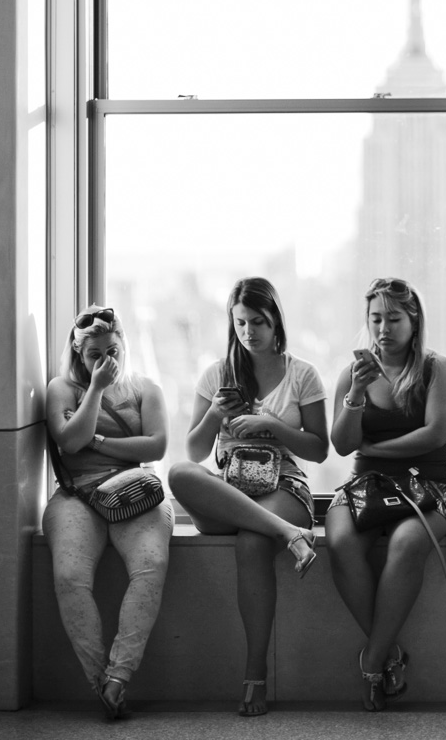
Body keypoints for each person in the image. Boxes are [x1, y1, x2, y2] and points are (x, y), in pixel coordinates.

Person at [169, 277, 329, 717]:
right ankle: (290, 535)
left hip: (283, 485)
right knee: (180, 473)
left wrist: (272, 427)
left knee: (252, 541)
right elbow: (196, 451)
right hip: (231, 488)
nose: (248, 331)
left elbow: (319, 448)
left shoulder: (302, 374)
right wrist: (217, 414)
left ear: (276, 319)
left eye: (258, 321)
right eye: (240, 322)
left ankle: (254, 674)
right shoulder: (217, 373)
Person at [325, 278, 446, 712]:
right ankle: (390, 655)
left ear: (413, 319)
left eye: (394, 318)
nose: (384, 328)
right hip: (368, 487)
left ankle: (372, 661)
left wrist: (377, 449)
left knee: (405, 543)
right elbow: (343, 445)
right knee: (341, 540)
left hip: (429, 486)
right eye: (375, 319)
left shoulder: (437, 368)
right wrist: (356, 395)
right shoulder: (353, 374)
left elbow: (434, 433)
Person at [43, 305, 173, 719]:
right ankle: (101, 681)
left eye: (112, 350)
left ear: (123, 345)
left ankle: (121, 673)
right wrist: (96, 389)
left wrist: (96, 442)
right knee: (69, 575)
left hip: (133, 492)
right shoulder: (62, 389)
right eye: (95, 354)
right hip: (76, 496)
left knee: (150, 564)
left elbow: (155, 447)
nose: (106, 361)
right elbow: (68, 441)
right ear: (79, 353)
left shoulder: (145, 388)